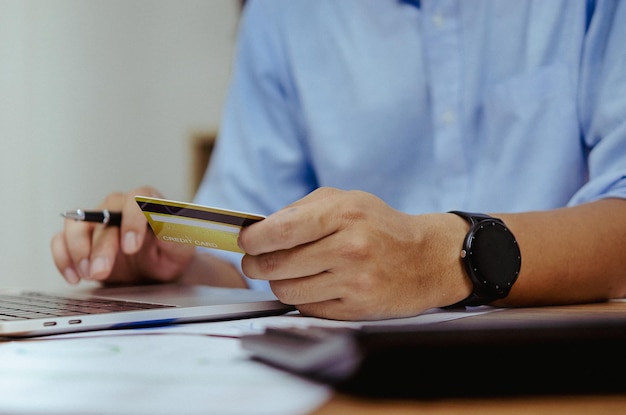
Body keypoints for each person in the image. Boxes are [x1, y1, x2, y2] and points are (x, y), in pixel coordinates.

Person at [51, 0, 626, 321]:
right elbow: (251, 250)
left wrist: (439, 258)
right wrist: (174, 268)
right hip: (349, 370)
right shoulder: (282, 17)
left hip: (572, 356)